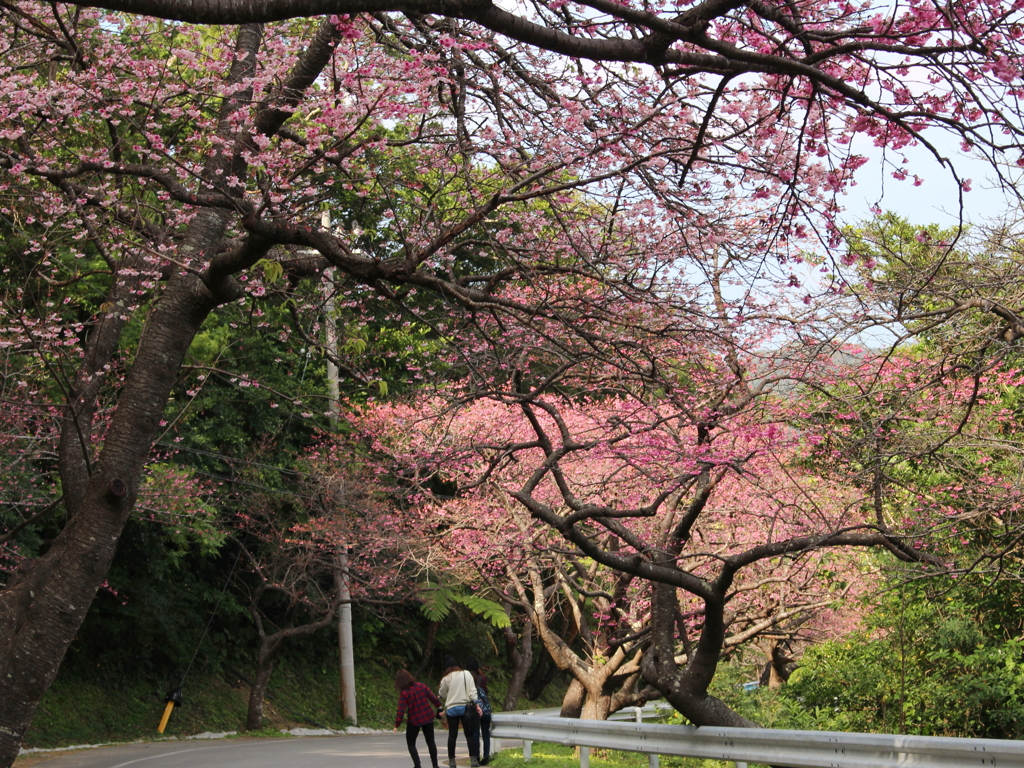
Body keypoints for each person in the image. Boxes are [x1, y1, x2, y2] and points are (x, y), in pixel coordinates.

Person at [438, 655, 481, 768]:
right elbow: (472, 691)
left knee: (452, 735)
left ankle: (452, 761)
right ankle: (473, 759)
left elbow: (442, 694)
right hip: (465, 708)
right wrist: (477, 704)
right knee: (469, 734)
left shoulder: (446, 679)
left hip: (452, 709)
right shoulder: (466, 674)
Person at [394, 669, 443, 768]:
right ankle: (435, 765)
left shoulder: (404, 693)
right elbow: (433, 697)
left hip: (414, 720)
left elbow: (401, 710)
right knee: (430, 741)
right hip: (427, 717)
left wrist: (397, 724)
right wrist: (439, 706)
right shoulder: (421, 686)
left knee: (411, 743)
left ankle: (417, 765)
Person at [464, 656, 493, 766]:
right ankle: (486, 756)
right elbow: (486, 693)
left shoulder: (466, 680)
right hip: (485, 710)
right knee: (485, 734)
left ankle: (476, 757)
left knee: (475, 734)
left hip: (474, 710)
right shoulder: (483, 678)